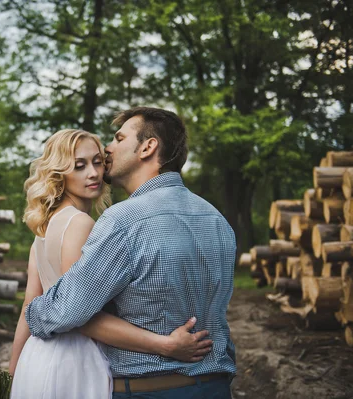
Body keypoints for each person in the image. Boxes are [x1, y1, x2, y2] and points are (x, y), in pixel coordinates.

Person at [25, 108, 237, 399]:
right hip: (216, 387)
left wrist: (35, 310)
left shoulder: (123, 221)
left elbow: (67, 311)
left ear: (148, 148)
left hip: (149, 391)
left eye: (119, 138)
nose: (108, 149)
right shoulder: (217, 220)